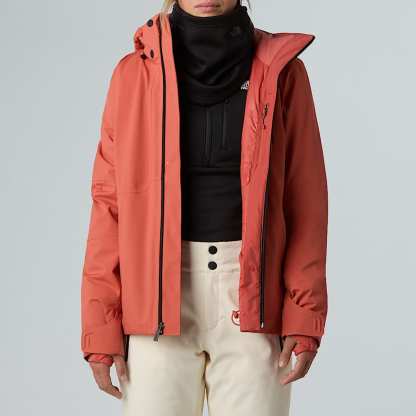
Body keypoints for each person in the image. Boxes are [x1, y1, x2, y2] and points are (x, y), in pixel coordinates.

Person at [80, 0, 328, 414]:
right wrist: (101, 323)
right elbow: (109, 203)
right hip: (156, 303)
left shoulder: (283, 72)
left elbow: (305, 199)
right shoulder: (132, 75)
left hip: (252, 300)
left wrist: (304, 314)